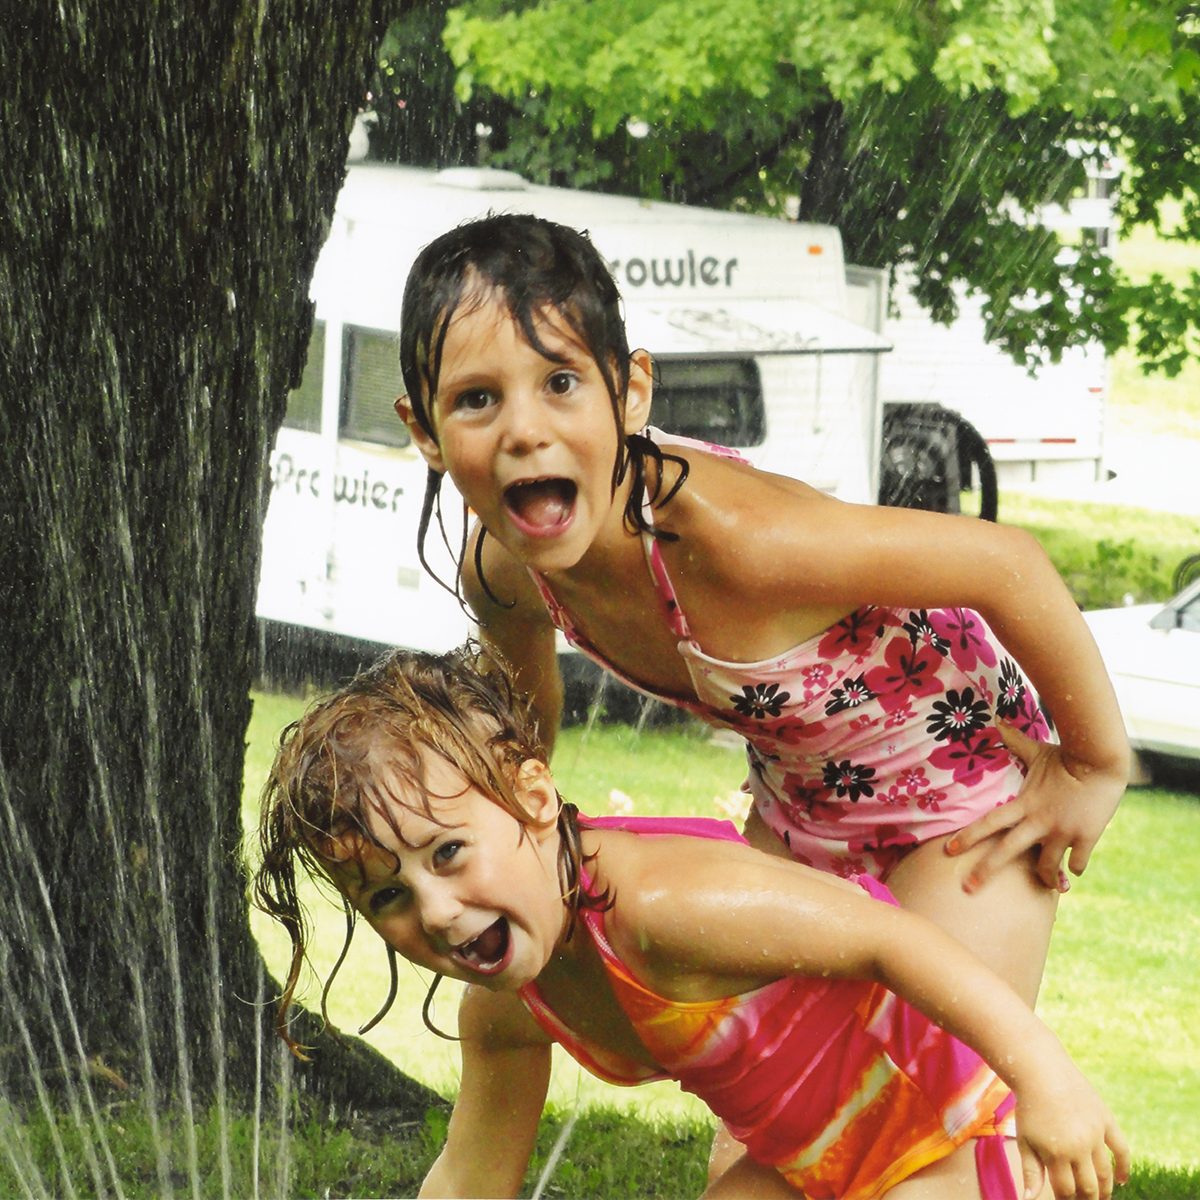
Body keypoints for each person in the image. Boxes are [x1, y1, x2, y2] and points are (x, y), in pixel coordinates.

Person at [391, 213, 1130, 1031]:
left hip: (960, 788)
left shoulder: (739, 542)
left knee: (935, 1086)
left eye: (560, 382)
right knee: (767, 1100)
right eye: (477, 399)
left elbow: (1005, 563)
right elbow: (522, 731)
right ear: (425, 430)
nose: (524, 431)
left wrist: (1094, 764)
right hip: (800, 809)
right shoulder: (504, 573)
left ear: (630, 393)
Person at [253, 645, 1129, 1200]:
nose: (436, 911)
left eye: (447, 852)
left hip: (950, 1136)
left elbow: (889, 938)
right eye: (388, 897)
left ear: (533, 797)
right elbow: (472, 1175)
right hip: (804, 1162)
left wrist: (1047, 1084)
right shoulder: (506, 1007)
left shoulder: (665, 908)